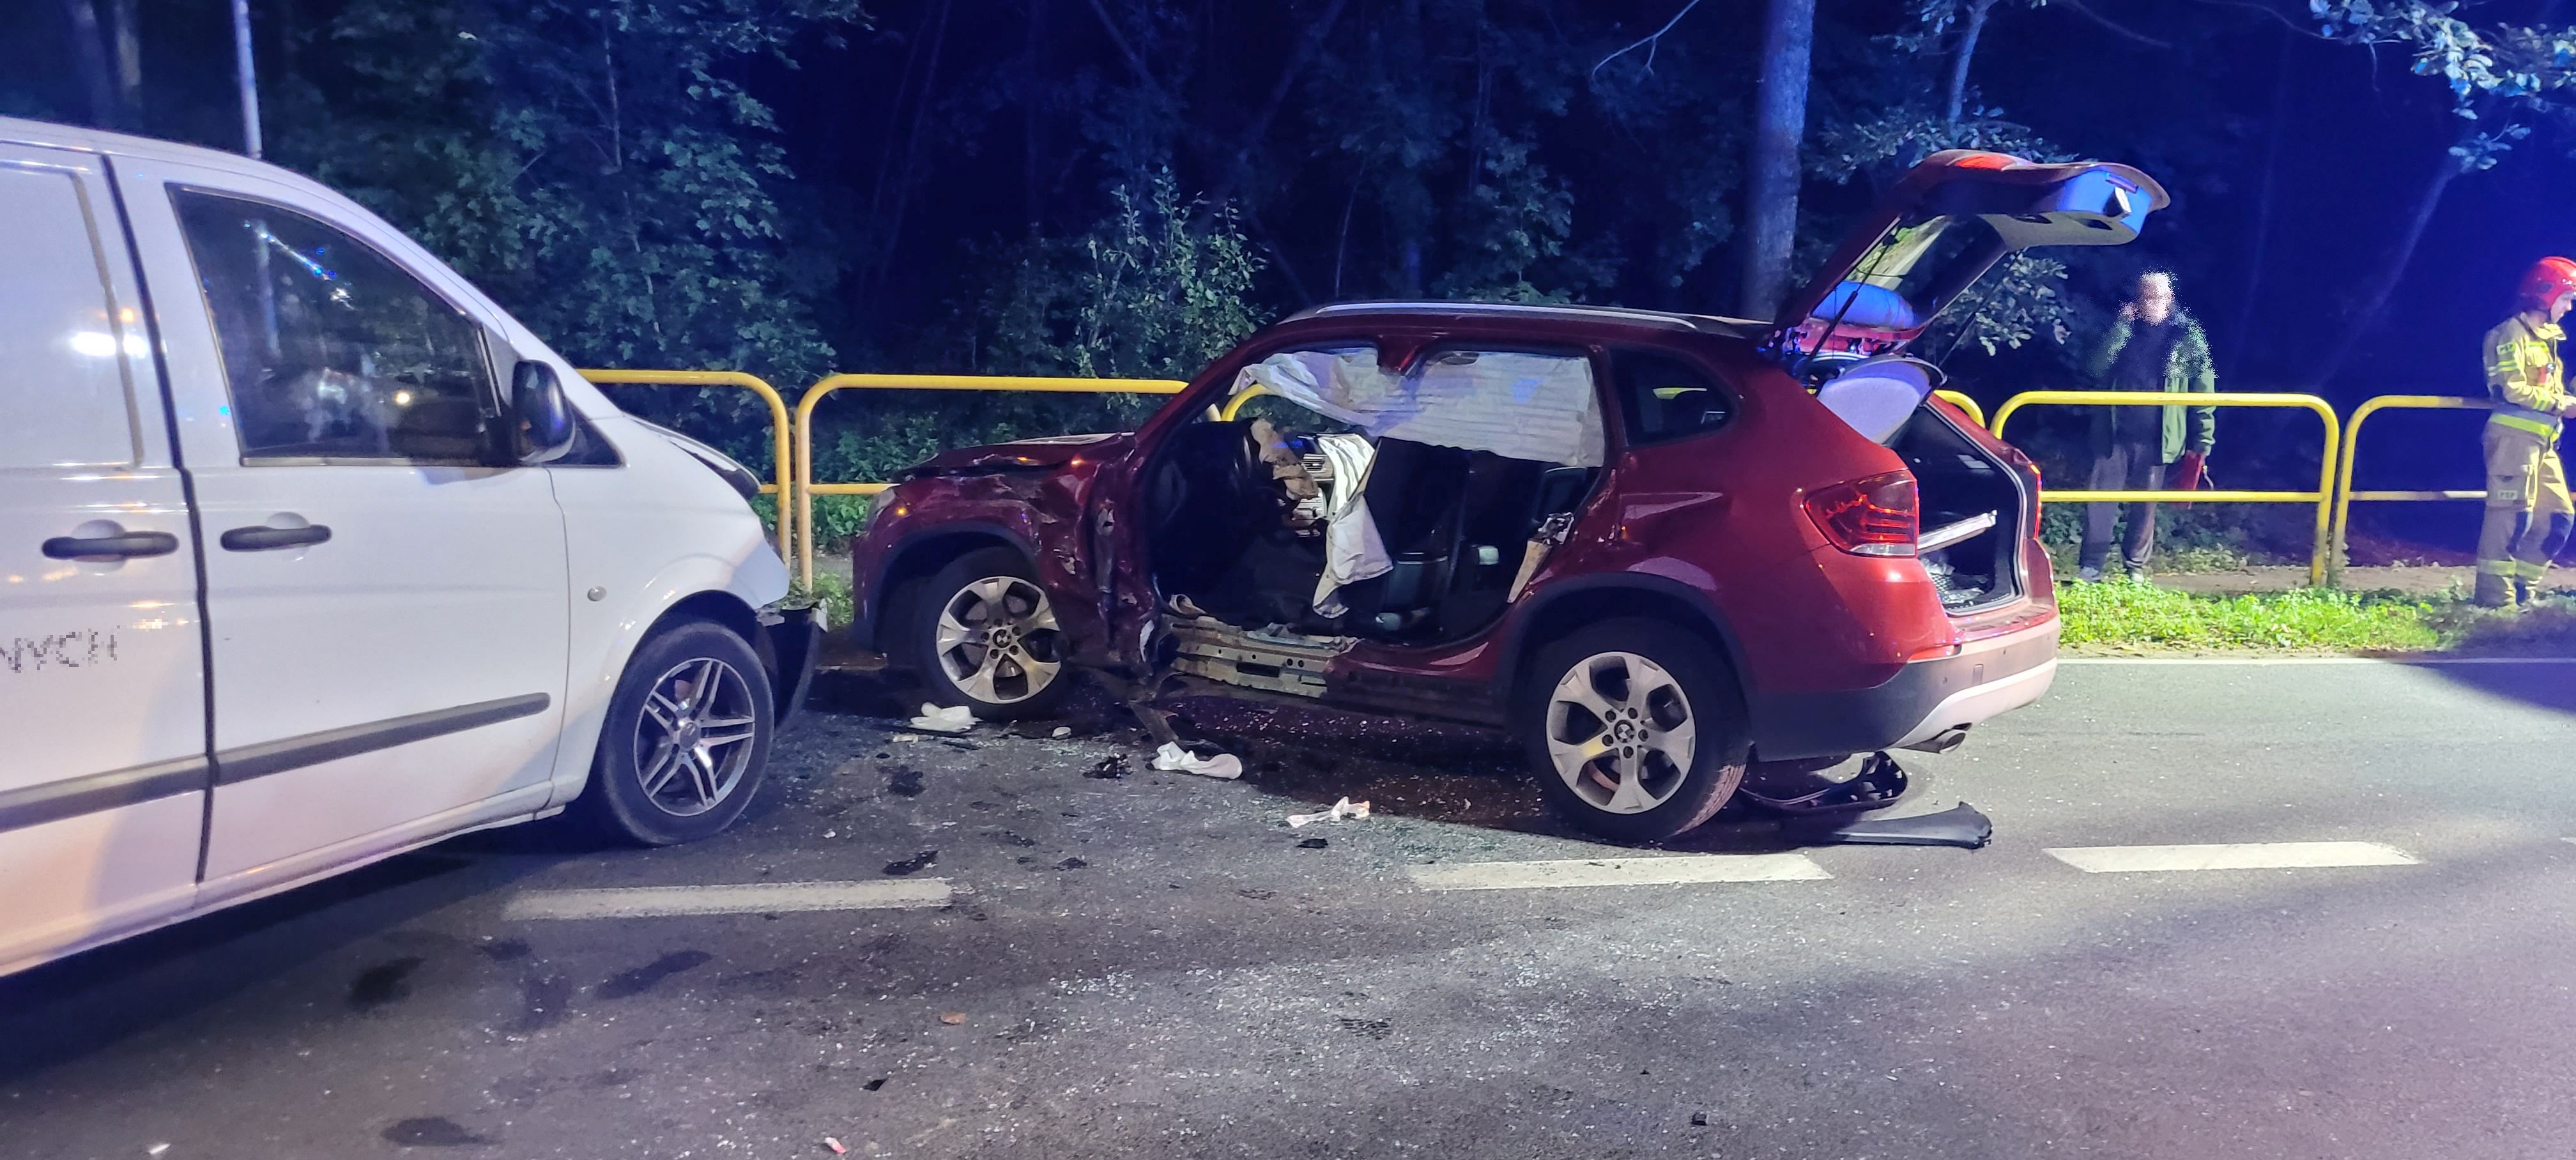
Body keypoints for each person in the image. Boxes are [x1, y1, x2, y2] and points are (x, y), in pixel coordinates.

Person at [2078, 270, 2216, 583]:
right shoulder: (2121, 329)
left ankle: (2135, 568)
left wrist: (2203, 439)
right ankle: (2091, 566)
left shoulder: (2187, 338)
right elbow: (2094, 367)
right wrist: (2120, 327)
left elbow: (2204, 393)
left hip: (2158, 438)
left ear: (2169, 299)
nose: (2150, 302)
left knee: (2145, 505)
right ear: (2137, 299)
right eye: (2145, 295)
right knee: (2099, 502)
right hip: (2112, 435)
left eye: (2157, 296)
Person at [2473, 257, 2576, 607]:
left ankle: (2522, 594)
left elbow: (2548, 390)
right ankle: (2495, 603)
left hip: (2544, 443)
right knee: (2511, 518)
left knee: (2559, 519)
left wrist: (2566, 398)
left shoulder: (2547, 340)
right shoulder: (2510, 334)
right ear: (2545, 295)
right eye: (2566, 299)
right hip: (2513, 440)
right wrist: (2562, 404)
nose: (2569, 307)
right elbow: (2512, 389)